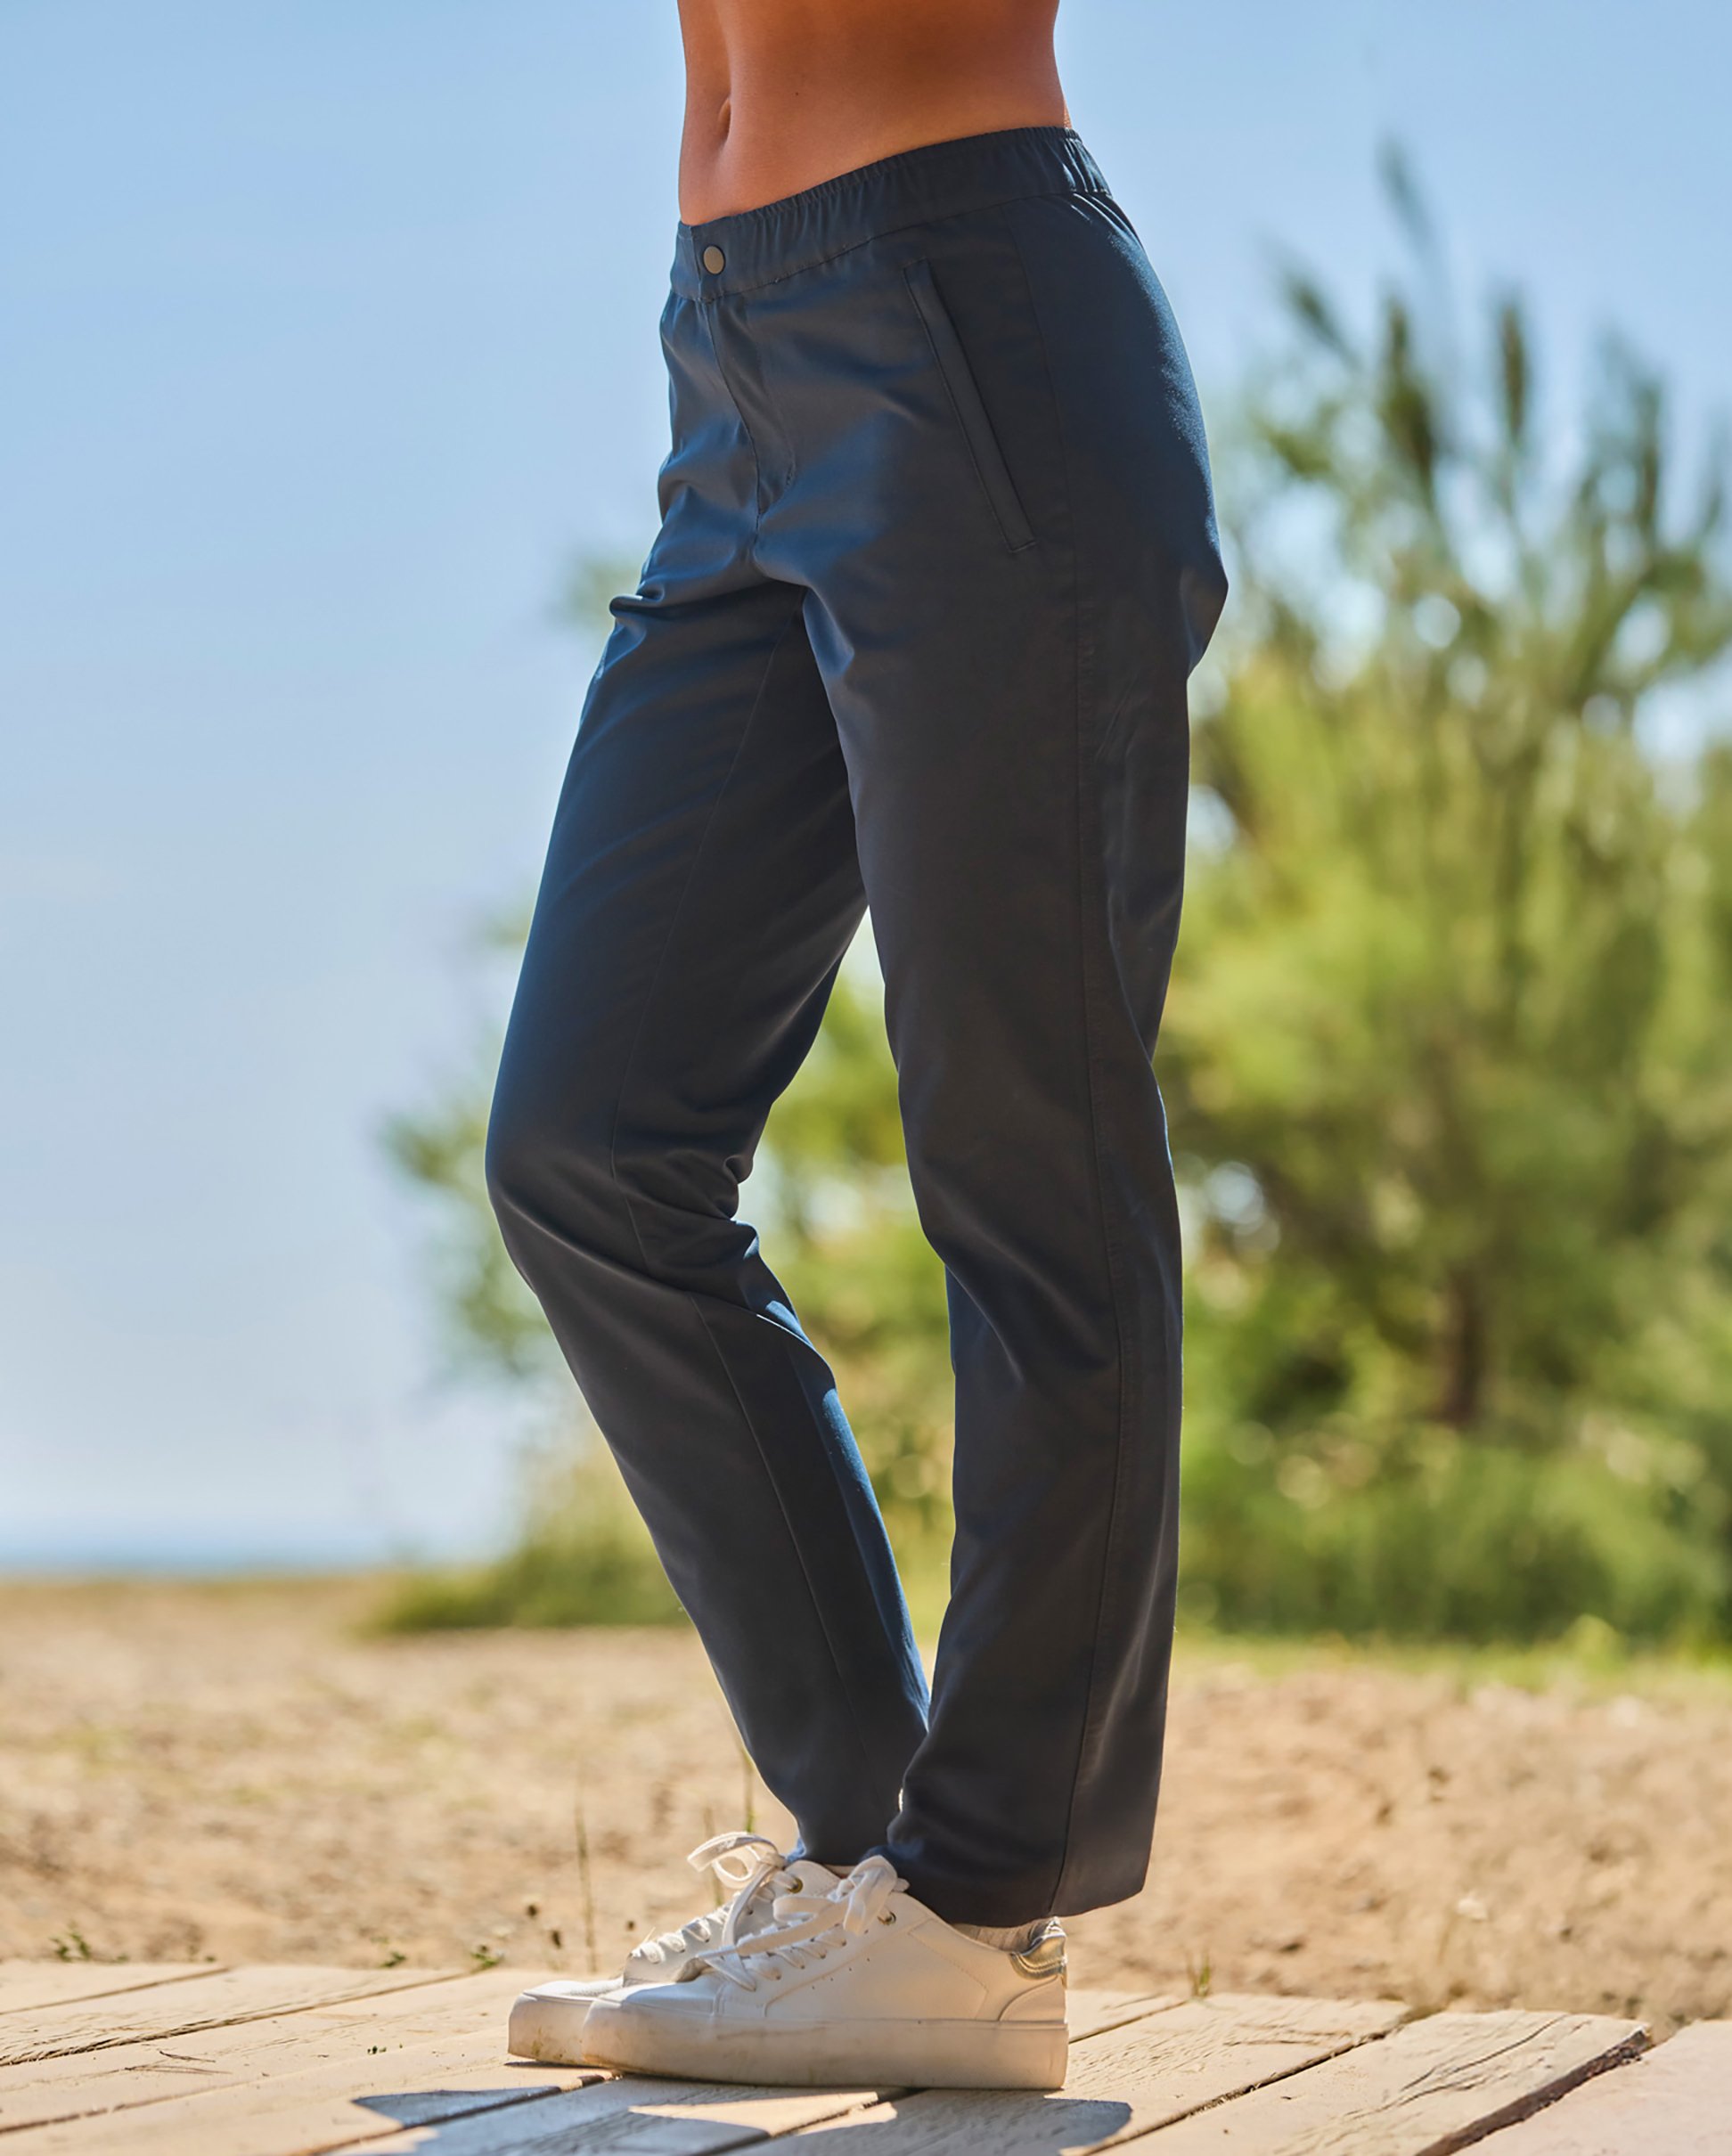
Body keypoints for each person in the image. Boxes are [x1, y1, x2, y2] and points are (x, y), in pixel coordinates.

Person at [488, 0, 1225, 2092]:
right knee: (586, 1143)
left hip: (967, 321)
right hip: (730, 370)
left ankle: (977, 1903)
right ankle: (873, 1855)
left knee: (1028, 1147)